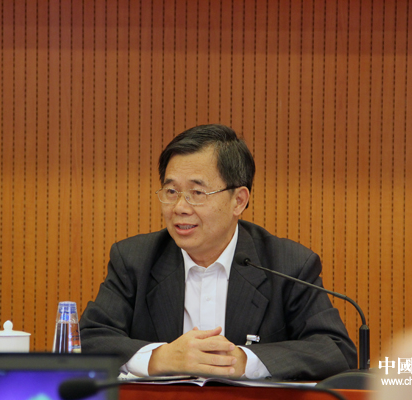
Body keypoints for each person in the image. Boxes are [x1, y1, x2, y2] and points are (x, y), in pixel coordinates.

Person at [79, 124, 357, 380]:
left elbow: (335, 349)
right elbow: (89, 339)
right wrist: (160, 358)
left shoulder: (287, 264)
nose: (180, 207)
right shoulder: (135, 259)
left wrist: (244, 361)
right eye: (171, 191)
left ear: (239, 201)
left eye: (197, 193)